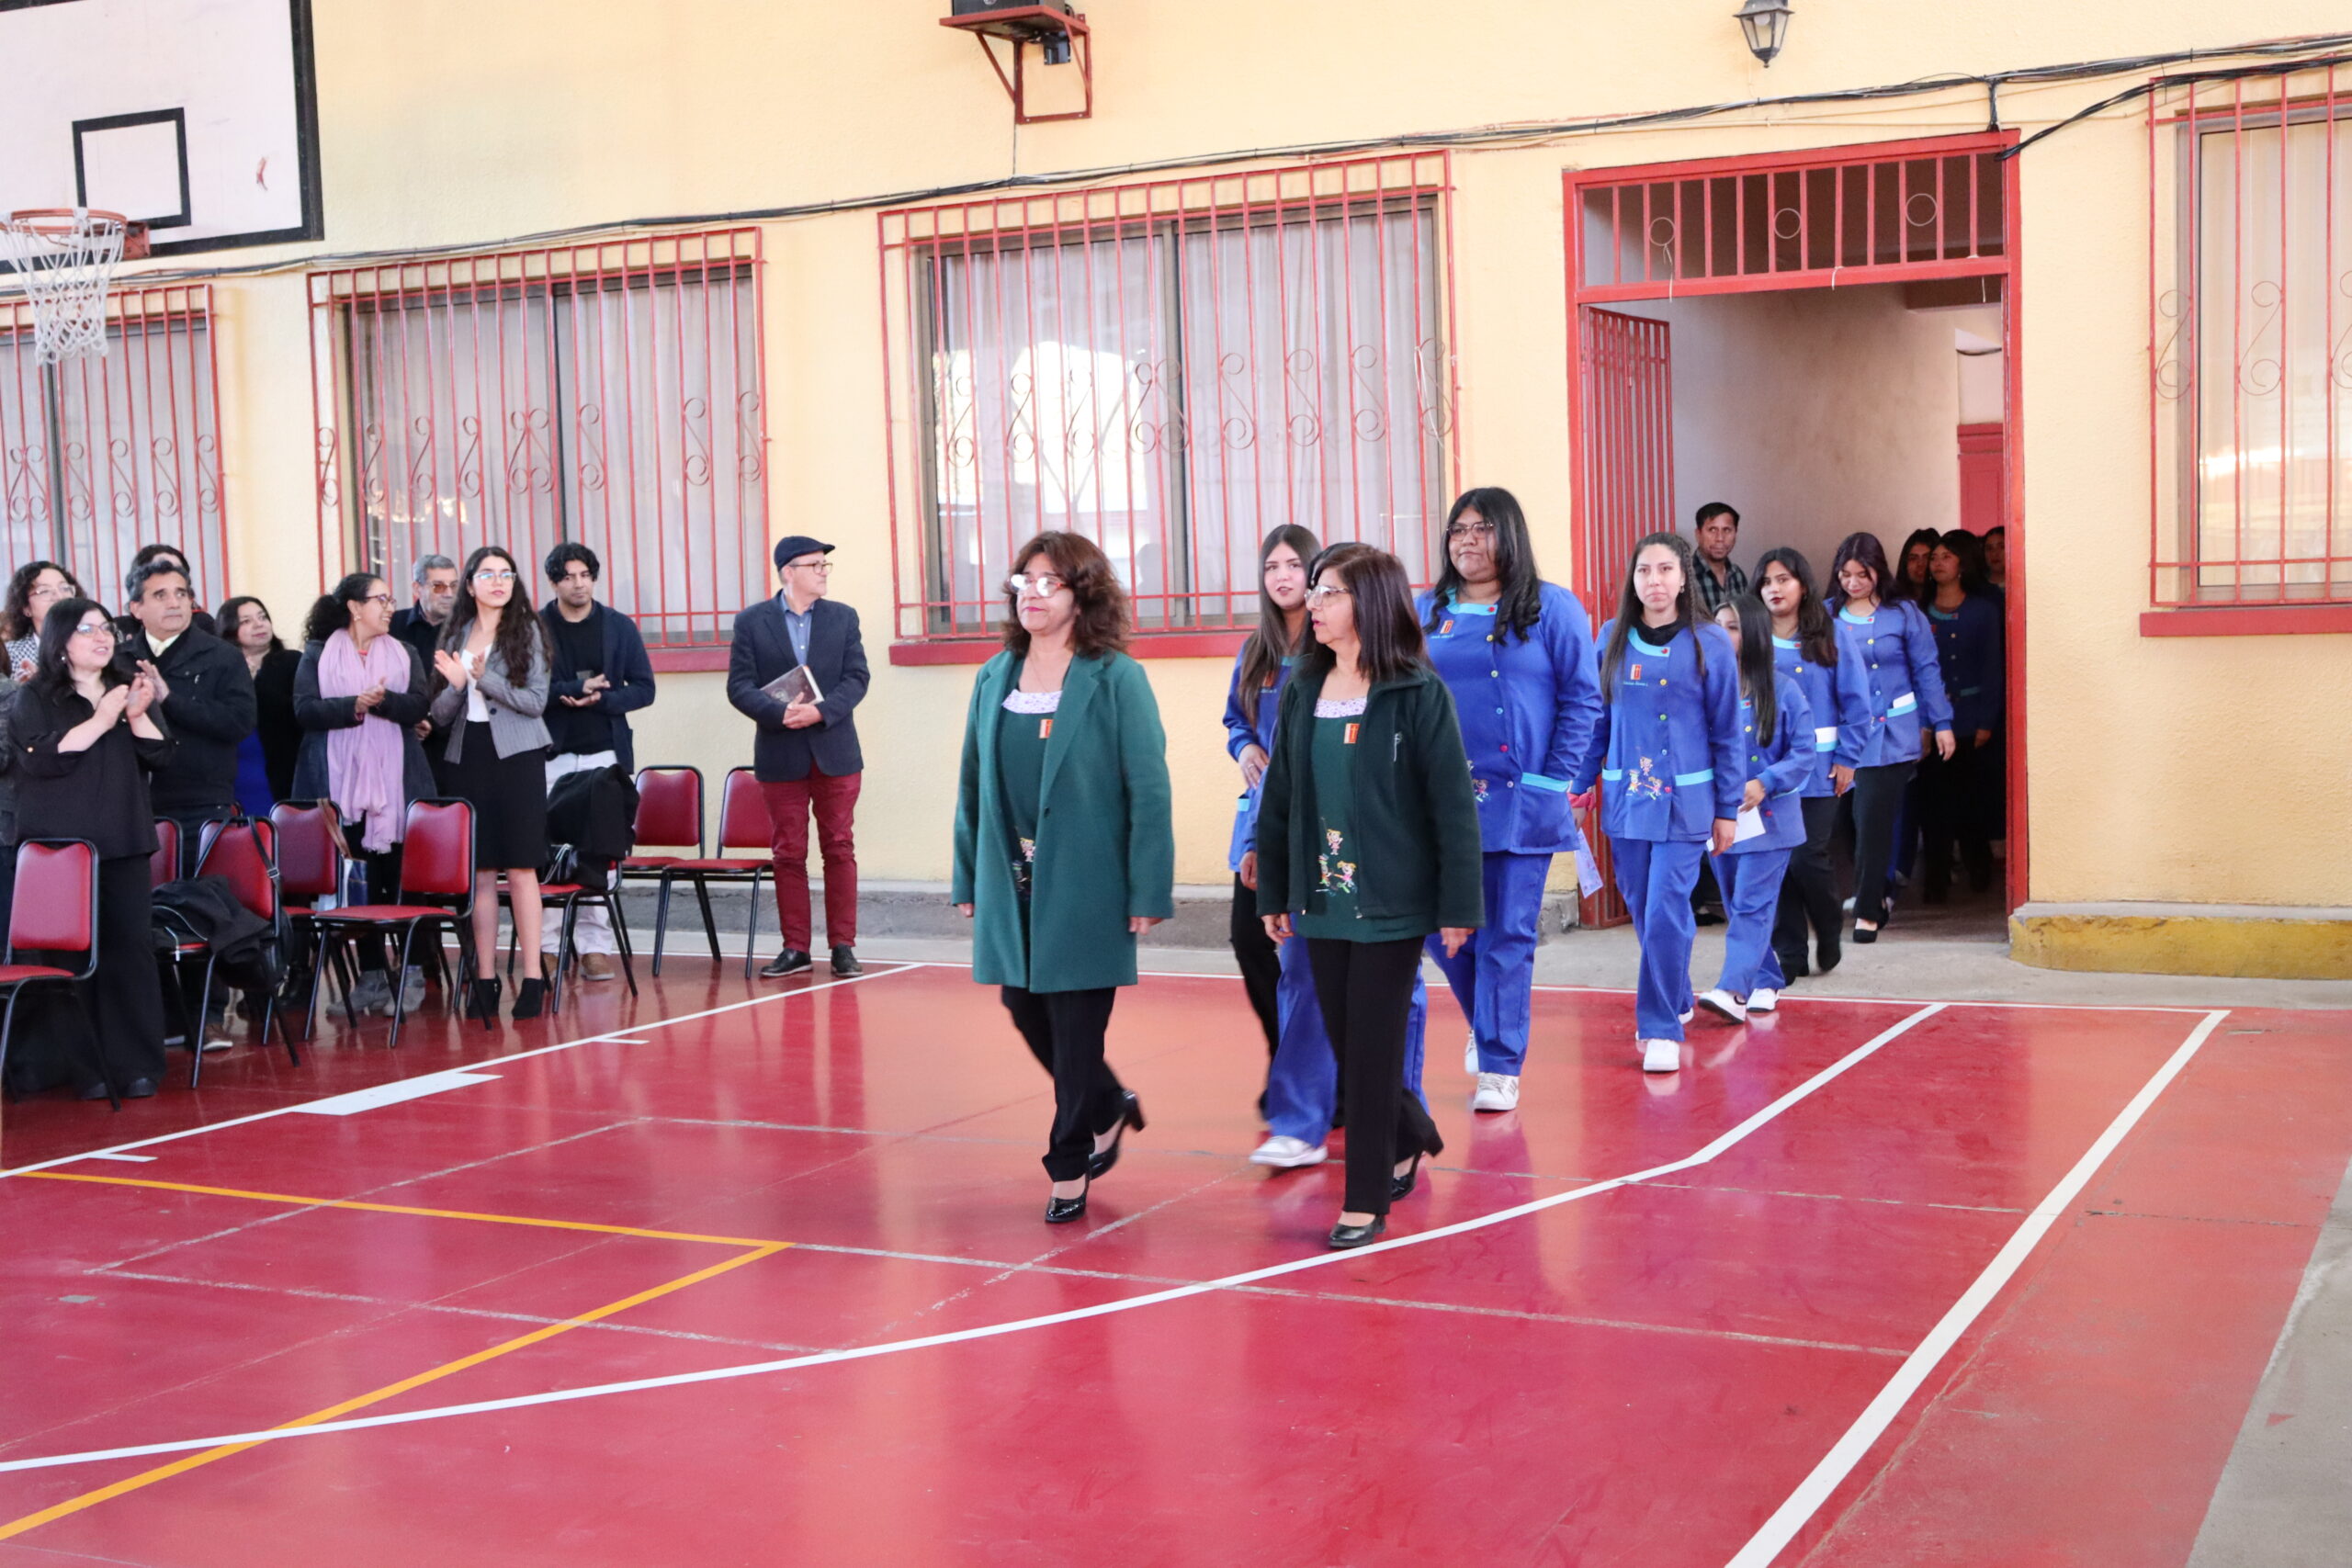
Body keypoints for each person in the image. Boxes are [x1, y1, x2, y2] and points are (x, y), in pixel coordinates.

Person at [1259, 543, 1480, 1250]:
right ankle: (1410, 1136)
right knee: (1352, 1045)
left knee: (1373, 1046)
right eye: (1314, 592)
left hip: (1392, 902)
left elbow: (1452, 807)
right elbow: (1281, 795)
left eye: (1329, 592)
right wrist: (1276, 888)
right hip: (1323, 898)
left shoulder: (1416, 691)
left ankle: (1364, 1200)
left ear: (1371, 604)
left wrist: (1458, 906)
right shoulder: (1304, 686)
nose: (1313, 604)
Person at [952, 531, 1172, 1225]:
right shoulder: (994, 676)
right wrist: (967, 876)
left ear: (1083, 595)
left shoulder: (1116, 677)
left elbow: (1149, 788)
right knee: (1023, 1006)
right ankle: (1108, 1105)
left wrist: (1148, 888)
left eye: (1051, 582)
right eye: (1026, 580)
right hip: (1011, 879)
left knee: (1077, 1032)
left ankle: (1068, 1163)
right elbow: (971, 785)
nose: (1034, 593)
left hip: (1088, 882)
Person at [1226, 525, 1431, 1168]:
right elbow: (1261, 755)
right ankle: (1299, 1118)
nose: (1294, 585)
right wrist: (1261, 837)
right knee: (1300, 973)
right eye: (1275, 568)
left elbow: (1439, 796)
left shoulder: (1409, 682)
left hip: (1384, 864)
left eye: (1307, 573)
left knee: (1394, 990)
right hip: (1305, 846)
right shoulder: (1279, 665)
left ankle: (1400, 1118)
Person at [1415, 487, 1600, 1113]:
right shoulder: (1427, 610)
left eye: (1482, 528)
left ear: (1510, 535)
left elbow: (1582, 699)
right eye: (1458, 529)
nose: (1467, 540)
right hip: (1438, 799)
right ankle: (1487, 1020)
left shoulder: (1553, 607)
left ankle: (1499, 1063)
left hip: (1522, 798)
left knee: (1507, 934)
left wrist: (1555, 780)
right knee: (1438, 929)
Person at [1573, 533, 1742, 1076]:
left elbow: (1727, 732)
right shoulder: (1610, 638)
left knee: (1669, 907)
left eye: (1666, 569)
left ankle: (1659, 1025)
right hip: (1627, 801)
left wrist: (1728, 809)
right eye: (1644, 570)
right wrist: (1577, 788)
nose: (1655, 581)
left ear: (1684, 577)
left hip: (1689, 803)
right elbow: (1596, 721)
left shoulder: (1710, 642)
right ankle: (1677, 992)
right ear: (1633, 580)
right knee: (1645, 910)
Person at [13, 598, 173, 1099]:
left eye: (106, 629)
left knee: (130, 951)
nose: (103, 638)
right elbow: (40, 758)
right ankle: (83, 1068)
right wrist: (103, 719)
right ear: (60, 641)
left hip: (122, 841)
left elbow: (162, 755)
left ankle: (137, 1065)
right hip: (59, 853)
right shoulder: (35, 696)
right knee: (66, 959)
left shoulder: (128, 687)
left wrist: (138, 714)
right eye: (87, 630)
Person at [292, 575, 437, 1018]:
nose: (390, 607)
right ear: (355, 607)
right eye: (381, 599)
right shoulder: (318, 653)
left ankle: (412, 972)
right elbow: (305, 710)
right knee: (360, 884)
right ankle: (371, 976)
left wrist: (382, 700)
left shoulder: (404, 652)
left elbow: (419, 705)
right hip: (340, 787)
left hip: (398, 785)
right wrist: (354, 704)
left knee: (405, 880)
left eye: (391, 599)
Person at [728, 535, 871, 979]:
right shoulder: (751, 622)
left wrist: (821, 711)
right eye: (815, 565)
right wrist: (779, 713)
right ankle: (795, 948)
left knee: (839, 847)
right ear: (788, 572)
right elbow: (739, 686)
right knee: (788, 852)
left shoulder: (843, 617)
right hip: (781, 752)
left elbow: (857, 678)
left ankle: (843, 946)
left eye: (826, 565)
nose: (824, 572)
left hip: (835, 752)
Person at [427, 545, 554, 1022]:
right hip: (469, 756)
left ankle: (533, 976)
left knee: (521, 868)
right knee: (480, 871)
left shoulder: (528, 630)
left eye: (506, 574)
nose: (498, 582)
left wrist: (484, 679)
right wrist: (458, 685)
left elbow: (536, 701)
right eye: (488, 574)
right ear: (470, 584)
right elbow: (440, 714)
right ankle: (484, 976)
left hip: (518, 756)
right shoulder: (456, 632)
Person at [1827, 533, 1955, 943]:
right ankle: (1875, 892)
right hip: (1842, 737)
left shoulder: (1903, 613)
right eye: (1845, 575)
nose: (1853, 583)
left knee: (1872, 820)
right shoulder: (1826, 616)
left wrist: (1941, 722)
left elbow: (1927, 669)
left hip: (1891, 735)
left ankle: (1867, 911)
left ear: (1878, 572)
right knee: (1845, 823)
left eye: (1861, 575)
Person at [538, 542, 656, 981]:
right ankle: (548, 946)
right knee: (549, 849)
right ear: (554, 582)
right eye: (569, 576)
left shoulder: (618, 627)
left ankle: (594, 948)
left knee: (599, 849)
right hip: (551, 752)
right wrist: (568, 692)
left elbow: (644, 688)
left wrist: (602, 699)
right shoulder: (535, 628)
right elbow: (523, 688)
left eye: (585, 575)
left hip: (604, 751)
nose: (579, 584)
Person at [1694, 596, 1815, 1023]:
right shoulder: (1707, 690)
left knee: (1750, 904)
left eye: (1732, 627)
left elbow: (1804, 752)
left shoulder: (1783, 690)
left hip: (1771, 822)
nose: (1721, 635)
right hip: (1722, 820)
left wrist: (1766, 782)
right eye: (1717, 626)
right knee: (1736, 902)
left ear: (1755, 634)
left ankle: (1733, 989)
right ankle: (1766, 977)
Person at [123, 557, 255, 870]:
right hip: (133, 805)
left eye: (181, 593)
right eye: (160, 595)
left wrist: (170, 699)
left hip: (201, 803)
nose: (174, 603)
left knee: (199, 896)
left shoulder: (222, 655)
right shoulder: (120, 660)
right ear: (136, 608)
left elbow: (239, 722)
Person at [1757, 547, 1851, 981]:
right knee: (1775, 864)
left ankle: (1828, 925)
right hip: (1765, 774)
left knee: (1807, 858)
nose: (1774, 589)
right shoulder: (1752, 637)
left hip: (1820, 772)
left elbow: (1856, 701)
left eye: (1783, 580)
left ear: (1803, 585)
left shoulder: (1830, 633)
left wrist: (1849, 758)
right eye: (1766, 582)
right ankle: (1790, 952)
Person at [1917, 529, 2004, 902]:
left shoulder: (1983, 611)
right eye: (1934, 557)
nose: (1937, 563)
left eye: (1946, 557)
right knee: (1934, 805)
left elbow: (1992, 669)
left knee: (1971, 802)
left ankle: (1979, 870)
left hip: (1970, 719)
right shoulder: (1919, 612)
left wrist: (1986, 720)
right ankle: (1935, 882)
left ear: (1962, 565)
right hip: (1931, 722)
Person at [219, 596, 302, 813]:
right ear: (229, 630)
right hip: (238, 765)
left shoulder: (292, 661)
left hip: (283, 763)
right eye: (246, 621)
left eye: (263, 617)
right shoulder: (221, 669)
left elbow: (295, 712)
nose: (259, 624)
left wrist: (255, 681)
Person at [4, 561, 81, 683]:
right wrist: (24, 690)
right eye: (45, 591)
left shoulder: (95, 642)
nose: (59, 597)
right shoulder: (11, 655)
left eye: (65, 588)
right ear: (26, 607)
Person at [126, 544, 218, 637]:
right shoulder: (125, 628)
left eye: (177, 570)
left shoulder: (202, 624)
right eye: (161, 569)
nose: (174, 604)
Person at [391, 555, 460, 665]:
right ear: (417, 589)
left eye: (453, 586)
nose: (449, 594)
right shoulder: (392, 625)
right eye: (438, 586)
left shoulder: (466, 627)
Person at [1690, 502, 1748, 617]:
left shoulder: (1737, 575)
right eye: (1712, 530)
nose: (1720, 538)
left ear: (1735, 534)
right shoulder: (1685, 576)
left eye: (1727, 530)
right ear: (1698, 534)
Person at [1896, 527, 1940, 605]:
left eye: (1927, 557)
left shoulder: (1947, 603)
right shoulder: (1895, 603)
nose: (1920, 564)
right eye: (1913, 558)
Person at [1983, 525, 2008, 594]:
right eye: (1989, 548)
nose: (1994, 554)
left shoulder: (2024, 584)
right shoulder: (1977, 587)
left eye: (2002, 547)